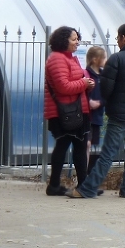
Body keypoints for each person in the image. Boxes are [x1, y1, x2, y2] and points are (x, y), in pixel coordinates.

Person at [69, 23, 125, 199]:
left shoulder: (116, 59)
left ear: (124, 38)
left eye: (118, 38)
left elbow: (106, 88)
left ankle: (87, 189)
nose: (117, 41)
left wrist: (112, 99)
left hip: (119, 114)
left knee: (108, 153)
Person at [44, 26, 94, 196]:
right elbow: (63, 86)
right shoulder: (57, 59)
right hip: (65, 112)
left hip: (76, 110)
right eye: (74, 39)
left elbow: (77, 80)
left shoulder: (71, 58)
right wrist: (84, 84)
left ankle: (59, 185)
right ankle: (79, 186)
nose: (77, 42)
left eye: (77, 38)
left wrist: (86, 84)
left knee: (71, 146)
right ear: (63, 40)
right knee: (72, 147)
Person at [85, 45, 107, 168]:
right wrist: (88, 101)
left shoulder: (103, 76)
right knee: (86, 144)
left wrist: (100, 103)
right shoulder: (86, 74)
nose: (105, 60)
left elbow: (108, 94)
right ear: (95, 59)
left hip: (97, 115)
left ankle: (84, 174)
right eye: (103, 58)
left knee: (90, 144)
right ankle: (81, 175)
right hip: (86, 115)